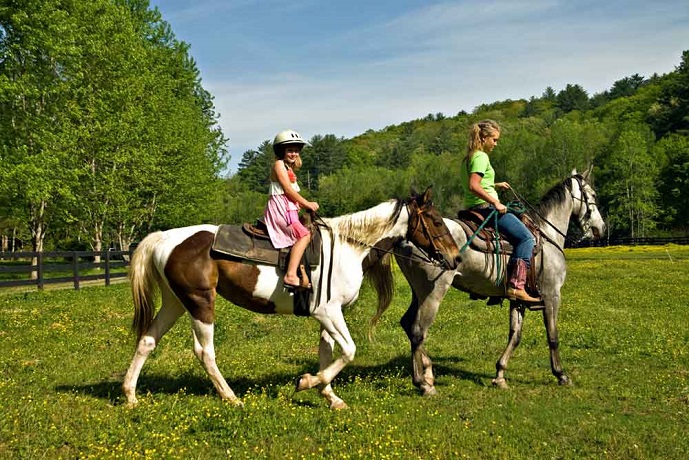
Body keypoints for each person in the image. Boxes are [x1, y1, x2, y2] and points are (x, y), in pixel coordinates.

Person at [459, 120, 541, 303]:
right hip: (486, 208)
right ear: (483, 138)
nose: (496, 144)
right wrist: (495, 202)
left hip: (472, 207)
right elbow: (474, 185)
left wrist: (495, 185)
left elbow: (474, 183)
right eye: (494, 140)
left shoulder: (468, 158)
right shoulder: (481, 157)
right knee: (527, 238)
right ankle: (517, 286)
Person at [264, 129, 319, 290]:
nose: (293, 153)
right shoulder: (279, 164)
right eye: (290, 150)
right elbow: (288, 191)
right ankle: (290, 275)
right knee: (304, 235)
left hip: (290, 210)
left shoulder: (289, 168)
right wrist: (307, 203)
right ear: (282, 151)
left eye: (296, 150)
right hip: (280, 210)